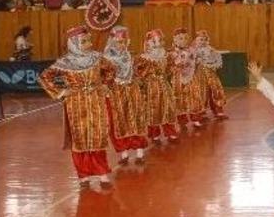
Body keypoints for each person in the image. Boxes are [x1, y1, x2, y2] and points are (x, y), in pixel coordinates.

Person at [39, 25, 116, 189]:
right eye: (84, 41)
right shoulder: (65, 62)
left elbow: (110, 70)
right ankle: (83, 177)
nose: (88, 44)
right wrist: (61, 92)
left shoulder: (97, 57)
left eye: (89, 40)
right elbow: (45, 77)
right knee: (80, 140)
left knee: (97, 137)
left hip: (96, 101)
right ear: (73, 43)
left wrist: (105, 85)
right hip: (76, 105)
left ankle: (102, 175)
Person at [102, 26, 149, 166]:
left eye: (123, 42)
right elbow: (103, 77)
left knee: (135, 118)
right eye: (117, 42)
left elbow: (140, 71)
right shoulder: (106, 59)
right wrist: (106, 84)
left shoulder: (131, 56)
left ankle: (140, 152)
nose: (120, 45)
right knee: (119, 122)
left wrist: (138, 79)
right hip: (116, 93)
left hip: (132, 91)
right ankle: (124, 153)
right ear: (112, 42)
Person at [134, 29, 179, 144]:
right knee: (153, 110)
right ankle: (155, 134)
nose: (156, 42)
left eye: (159, 40)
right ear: (148, 42)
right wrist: (143, 80)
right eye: (153, 40)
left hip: (164, 85)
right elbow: (138, 73)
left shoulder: (165, 54)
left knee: (167, 107)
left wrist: (174, 67)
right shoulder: (143, 57)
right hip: (151, 87)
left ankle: (170, 132)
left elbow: (170, 68)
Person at [169, 28, 203, 128]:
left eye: (185, 38)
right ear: (175, 40)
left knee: (194, 96)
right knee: (179, 98)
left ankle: (195, 118)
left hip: (191, 77)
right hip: (178, 79)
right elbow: (170, 66)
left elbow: (196, 62)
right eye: (180, 38)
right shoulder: (171, 53)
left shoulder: (192, 50)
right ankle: (181, 120)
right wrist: (177, 65)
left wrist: (197, 62)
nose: (183, 40)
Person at [192, 30, 228, 120]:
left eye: (204, 39)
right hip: (199, 75)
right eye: (201, 39)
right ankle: (201, 113)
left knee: (216, 90)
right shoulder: (193, 51)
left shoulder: (211, 50)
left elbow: (218, 61)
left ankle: (218, 110)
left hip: (211, 74)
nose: (202, 42)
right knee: (201, 93)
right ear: (196, 40)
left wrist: (213, 65)